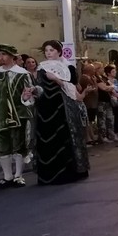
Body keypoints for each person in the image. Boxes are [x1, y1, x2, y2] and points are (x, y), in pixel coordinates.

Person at [32, 40, 90, 184]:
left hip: (64, 107)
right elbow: (40, 88)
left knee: (65, 137)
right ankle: (48, 175)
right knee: (47, 138)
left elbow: (72, 89)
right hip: (46, 108)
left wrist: (57, 80)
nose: (48, 53)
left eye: (51, 50)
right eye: (46, 51)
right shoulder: (42, 68)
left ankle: (69, 173)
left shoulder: (68, 67)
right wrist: (32, 91)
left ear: (59, 51)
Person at [0, 45, 34, 189]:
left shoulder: (22, 73)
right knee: (2, 146)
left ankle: (18, 176)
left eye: (4, 54)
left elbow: (29, 98)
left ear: (12, 56)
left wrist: (26, 97)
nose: (1, 57)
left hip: (19, 115)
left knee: (19, 145)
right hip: (0, 115)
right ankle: (7, 177)